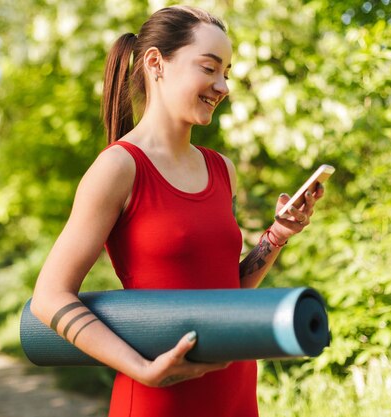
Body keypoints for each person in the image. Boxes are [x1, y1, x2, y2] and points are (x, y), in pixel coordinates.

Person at [30, 5, 324, 417]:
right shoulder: (118, 167)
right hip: (159, 396)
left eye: (227, 73)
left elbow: (225, 294)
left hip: (235, 390)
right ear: (156, 63)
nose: (222, 86)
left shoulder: (223, 169)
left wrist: (277, 236)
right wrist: (142, 369)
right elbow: (48, 297)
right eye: (209, 68)